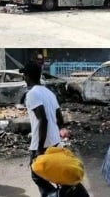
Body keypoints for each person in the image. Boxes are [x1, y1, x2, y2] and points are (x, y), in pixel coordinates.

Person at [21, 62, 89, 197]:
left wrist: (40, 148)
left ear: (27, 76)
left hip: (41, 143)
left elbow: (43, 119)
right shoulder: (49, 93)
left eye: (24, 75)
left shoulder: (32, 94)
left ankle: (56, 195)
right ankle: (70, 193)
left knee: (36, 175)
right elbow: (59, 117)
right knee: (59, 174)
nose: (24, 78)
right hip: (55, 141)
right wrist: (59, 130)